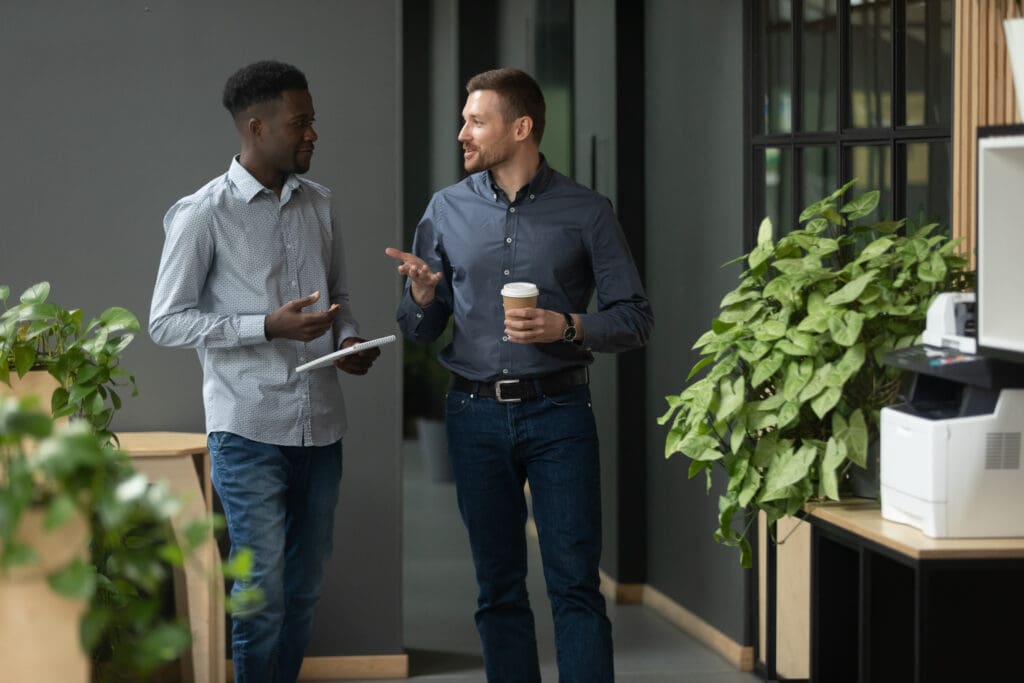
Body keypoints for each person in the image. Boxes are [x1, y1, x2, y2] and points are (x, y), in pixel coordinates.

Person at [386, 67, 653, 682]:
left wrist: (567, 327)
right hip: (473, 415)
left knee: (575, 586)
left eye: (476, 121)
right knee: (498, 588)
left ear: (521, 126)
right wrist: (424, 299)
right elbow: (421, 329)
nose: (463, 133)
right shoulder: (445, 209)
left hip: (560, 414)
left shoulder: (586, 212)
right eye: (463, 120)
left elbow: (636, 318)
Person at [150, 60, 380, 683]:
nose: (312, 134)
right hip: (247, 430)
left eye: (313, 122)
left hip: (322, 429)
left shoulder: (322, 205)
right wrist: (266, 327)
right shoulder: (203, 213)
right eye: (299, 123)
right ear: (256, 127)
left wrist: (351, 338)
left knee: (302, 592)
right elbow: (165, 322)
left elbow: (342, 299)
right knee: (261, 595)